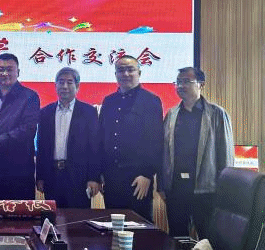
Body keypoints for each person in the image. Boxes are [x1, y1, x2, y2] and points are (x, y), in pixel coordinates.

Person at [160, 67, 234, 237]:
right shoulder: (172, 114)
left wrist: (225, 188)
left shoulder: (217, 114)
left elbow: (226, 155)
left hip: (206, 189)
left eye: (186, 81)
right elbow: (164, 153)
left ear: (201, 84)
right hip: (177, 189)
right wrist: (162, 186)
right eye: (178, 82)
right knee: (177, 238)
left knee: (208, 240)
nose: (181, 86)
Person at [98, 55, 163, 221]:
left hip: (138, 178)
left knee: (139, 226)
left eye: (130, 70)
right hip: (112, 178)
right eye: (121, 70)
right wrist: (100, 173)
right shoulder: (109, 101)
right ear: (115, 75)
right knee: (113, 225)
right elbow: (102, 138)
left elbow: (156, 140)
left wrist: (147, 174)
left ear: (139, 73)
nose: (125, 74)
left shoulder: (151, 100)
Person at [36, 67, 101, 207]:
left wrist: (94, 177)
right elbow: (42, 147)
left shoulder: (88, 112)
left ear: (77, 86)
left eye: (69, 82)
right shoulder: (45, 112)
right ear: (55, 86)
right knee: (52, 216)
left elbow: (95, 147)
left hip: (79, 178)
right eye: (61, 82)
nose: (65, 86)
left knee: (78, 218)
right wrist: (40, 176)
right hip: (52, 176)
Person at [0, 53, 40, 200]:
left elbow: (28, 129)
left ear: (18, 72)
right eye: (1, 69)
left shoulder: (30, 97)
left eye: (10, 69)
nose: (5, 73)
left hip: (19, 170)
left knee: (21, 212)